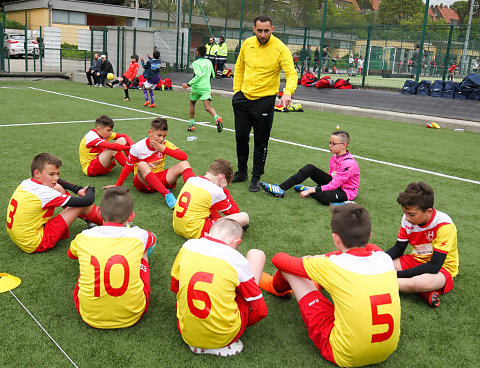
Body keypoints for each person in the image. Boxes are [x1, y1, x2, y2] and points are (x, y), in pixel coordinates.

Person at [261, 203, 401, 367]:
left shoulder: (332, 264)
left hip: (343, 354)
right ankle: (314, 283)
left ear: (336, 238)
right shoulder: (384, 258)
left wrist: (313, 259)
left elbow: (279, 259)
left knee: (290, 271)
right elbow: (371, 248)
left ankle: (276, 288)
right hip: (387, 350)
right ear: (370, 234)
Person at [171, 218, 267, 356]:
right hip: (224, 336)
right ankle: (225, 336)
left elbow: (175, 286)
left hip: (186, 332)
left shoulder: (188, 246)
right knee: (256, 255)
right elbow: (261, 311)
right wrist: (242, 324)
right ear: (236, 242)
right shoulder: (237, 260)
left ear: (207, 234)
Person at [68, 187, 157, 329]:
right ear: (131, 216)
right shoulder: (139, 235)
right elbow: (153, 239)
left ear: (98, 212)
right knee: (144, 250)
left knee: (83, 265)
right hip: (133, 314)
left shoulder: (84, 236)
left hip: (89, 315)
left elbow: (71, 254)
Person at [232, 14, 298, 192]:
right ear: (254, 29)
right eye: (259, 31)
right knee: (241, 137)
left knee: (261, 141)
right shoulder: (247, 44)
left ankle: (255, 177)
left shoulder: (280, 48)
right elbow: (239, 67)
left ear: (272, 30)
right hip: (242, 98)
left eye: (266, 31)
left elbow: (291, 73)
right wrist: (236, 90)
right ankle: (242, 172)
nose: (262, 34)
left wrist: (287, 93)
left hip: (264, 101)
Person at [6, 153, 103, 253]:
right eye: (52, 174)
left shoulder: (26, 182)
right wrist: (90, 189)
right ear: (37, 173)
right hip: (35, 242)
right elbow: (87, 201)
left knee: (57, 187)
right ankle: (108, 222)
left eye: (57, 173)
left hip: (19, 236)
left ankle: (89, 219)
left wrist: (77, 189)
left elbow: (58, 182)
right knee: (81, 206)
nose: (56, 177)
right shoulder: (44, 193)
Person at [385, 182, 458, 308]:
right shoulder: (408, 217)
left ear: (428, 211)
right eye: (405, 213)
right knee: (383, 265)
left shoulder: (445, 225)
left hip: (442, 268)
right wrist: (377, 260)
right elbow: (399, 248)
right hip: (415, 259)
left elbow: (434, 266)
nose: (407, 218)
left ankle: (381, 284)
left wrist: (396, 274)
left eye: (411, 214)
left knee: (421, 283)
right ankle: (424, 294)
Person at [261, 130, 360, 205]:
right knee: (310, 168)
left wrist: (311, 190)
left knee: (323, 197)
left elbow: (334, 185)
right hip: (335, 185)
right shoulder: (334, 157)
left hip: (345, 191)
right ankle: (280, 188)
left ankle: (345, 203)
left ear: (344, 145)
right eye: (329, 143)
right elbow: (331, 179)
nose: (330, 146)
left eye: (333, 144)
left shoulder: (348, 163)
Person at [112, 118, 192, 209]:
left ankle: (195, 190)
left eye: (164, 136)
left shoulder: (164, 144)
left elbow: (183, 156)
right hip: (143, 183)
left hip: (159, 179)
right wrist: (117, 185)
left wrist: (164, 150)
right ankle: (167, 194)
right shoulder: (138, 147)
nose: (161, 139)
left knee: (184, 163)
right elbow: (128, 166)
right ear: (150, 132)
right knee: (142, 165)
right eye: (159, 135)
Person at [172, 159, 249, 240]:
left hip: (177, 227)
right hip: (195, 231)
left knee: (207, 206)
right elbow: (234, 211)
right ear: (221, 177)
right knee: (244, 217)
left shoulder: (191, 180)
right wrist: (224, 189)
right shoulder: (215, 190)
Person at [181, 45, 223, 133]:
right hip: (206, 87)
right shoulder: (209, 62)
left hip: (197, 87)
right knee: (208, 107)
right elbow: (213, 75)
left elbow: (199, 75)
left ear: (197, 53)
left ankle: (191, 125)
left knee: (192, 103)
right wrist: (206, 81)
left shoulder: (195, 63)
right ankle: (217, 117)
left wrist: (188, 84)